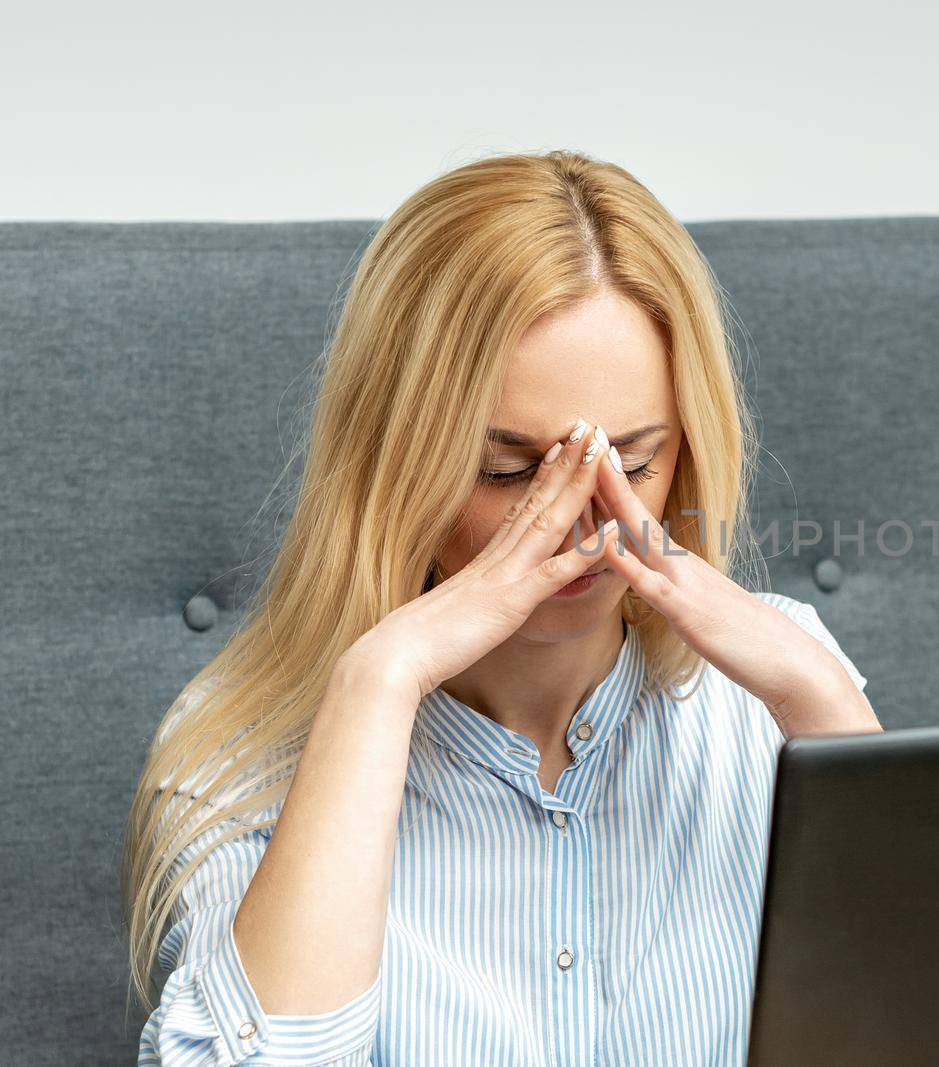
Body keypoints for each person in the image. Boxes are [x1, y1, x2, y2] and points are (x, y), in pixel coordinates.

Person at [120, 149, 881, 1066]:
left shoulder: (780, 684)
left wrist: (823, 705)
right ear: (397, 461)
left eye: (634, 462)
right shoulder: (238, 753)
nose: (582, 520)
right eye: (509, 470)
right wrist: (378, 680)